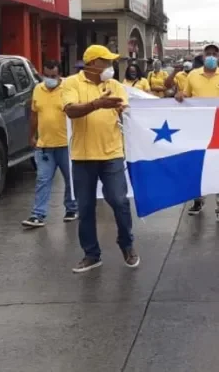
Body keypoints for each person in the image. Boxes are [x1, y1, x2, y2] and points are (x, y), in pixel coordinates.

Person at [62, 45, 139, 272]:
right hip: (83, 156)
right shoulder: (71, 83)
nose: (110, 67)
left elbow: (123, 108)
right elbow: (71, 110)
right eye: (106, 62)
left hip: (112, 154)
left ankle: (127, 244)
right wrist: (96, 104)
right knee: (85, 208)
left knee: (120, 201)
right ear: (93, 63)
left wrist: (118, 108)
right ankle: (91, 254)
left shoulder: (115, 85)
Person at [175, 41, 219, 225]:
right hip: (197, 129)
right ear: (202, 57)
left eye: (214, 53)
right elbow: (185, 95)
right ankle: (198, 199)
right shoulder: (193, 76)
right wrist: (180, 96)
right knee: (197, 165)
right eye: (208, 53)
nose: (211, 56)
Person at [21, 60, 77, 227]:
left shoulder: (68, 89)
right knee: (42, 180)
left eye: (53, 76)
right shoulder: (38, 89)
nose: (50, 79)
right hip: (45, 146)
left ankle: (72, 208)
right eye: (47, 75)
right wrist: (32, 136)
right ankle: (38, 214)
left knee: (71, 179)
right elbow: (34, 115)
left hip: (66, 145)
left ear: (59, 74)